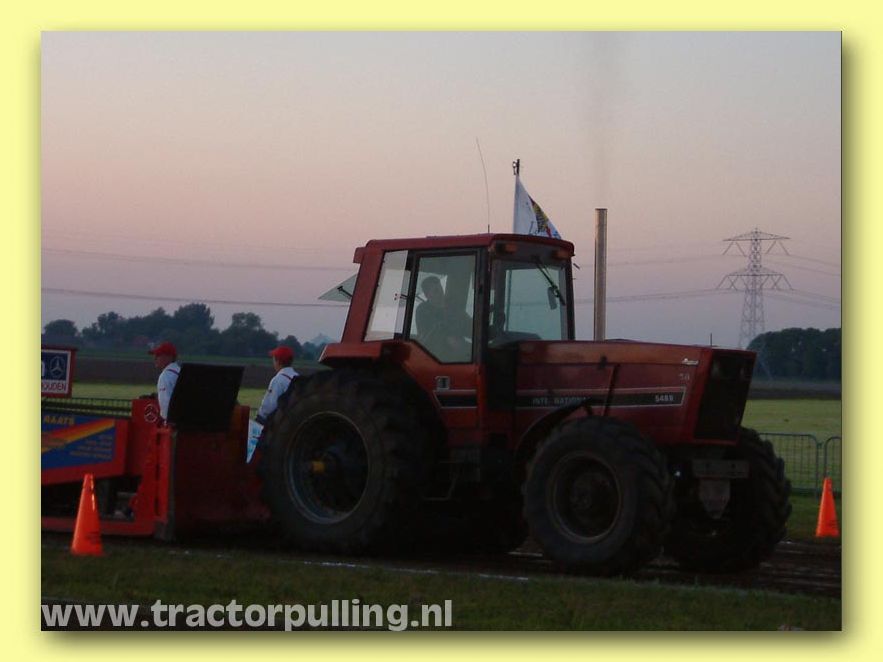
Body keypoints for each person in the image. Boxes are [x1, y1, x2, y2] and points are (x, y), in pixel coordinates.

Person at [256, 345, 299, 425]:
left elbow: (269, 407)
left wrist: (259, 416)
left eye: (274, 359)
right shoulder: (298, 377)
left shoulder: (278, 380)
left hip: (278, 423)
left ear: (278, 361)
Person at [148, 341, 180, 421]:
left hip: (172, 423)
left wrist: (165, 421)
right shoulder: (179, 372)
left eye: (158, 355)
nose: (155, 358)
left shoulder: (165, 376)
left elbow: (166, 403)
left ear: (168, 357)